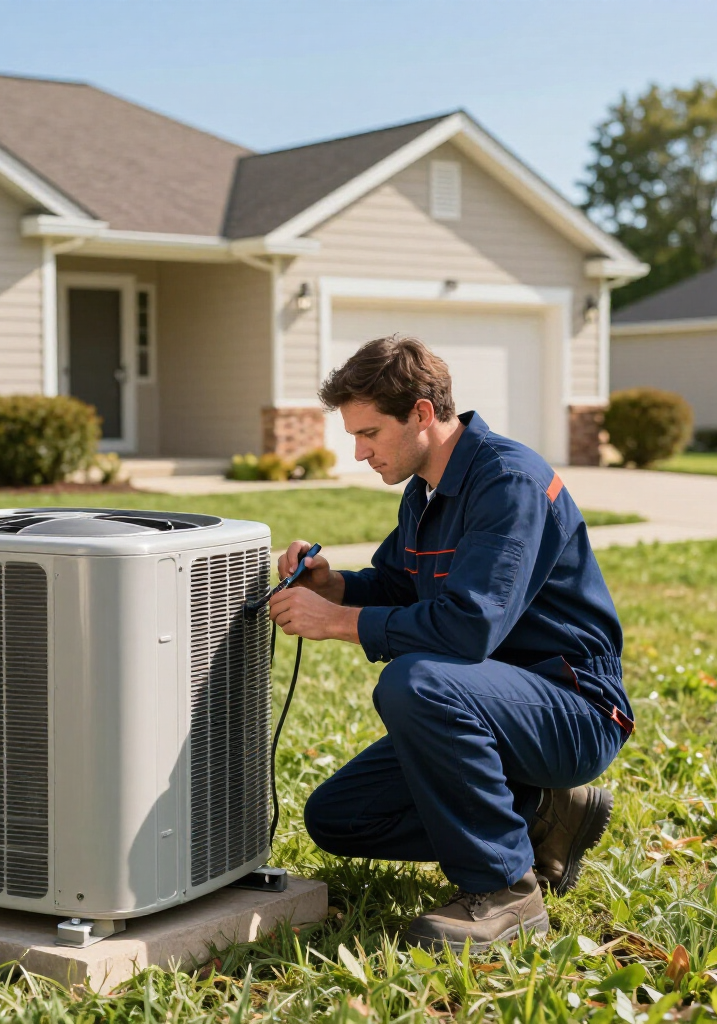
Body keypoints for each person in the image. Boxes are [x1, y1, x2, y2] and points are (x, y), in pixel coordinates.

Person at [269, 335, 634, 952]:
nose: (358, 453)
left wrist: (334, 623)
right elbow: (395, 582)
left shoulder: (508, 481)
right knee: (339, 817)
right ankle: (544, 813)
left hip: (573, 706)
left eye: (369, 434)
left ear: (421, 413)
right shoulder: (428, 487)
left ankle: (505, 892)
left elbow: (468, 627)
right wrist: (335, 588)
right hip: (495, 704)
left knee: (416, 682)